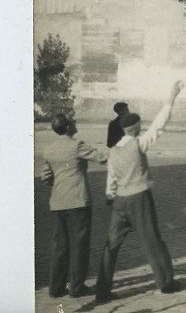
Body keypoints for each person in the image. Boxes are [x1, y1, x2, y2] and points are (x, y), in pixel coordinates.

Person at [95, 81, 186, 304]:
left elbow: (111, 182)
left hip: (119, 201)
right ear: (135, 128)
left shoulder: (114, 152)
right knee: (152, 239)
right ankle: (165, 283)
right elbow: (159, 125)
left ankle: (102, 291)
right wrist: (172, 96)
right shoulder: (139, 144)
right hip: (139, 198)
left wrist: (111, 197)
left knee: (111, 245)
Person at [41, 113, 108, 298]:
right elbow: (101, 157)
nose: (76, 123)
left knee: (60, 246)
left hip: (58, 201)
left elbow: (46, 177)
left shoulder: (49, 149)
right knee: (79, 245)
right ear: (69, 127)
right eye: (73, 122)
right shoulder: (77, 145)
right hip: (78, 201)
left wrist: (61, 183)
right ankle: (77, 287)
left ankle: (56, 288)